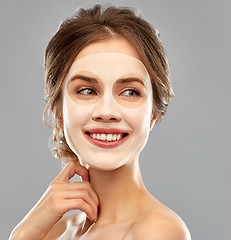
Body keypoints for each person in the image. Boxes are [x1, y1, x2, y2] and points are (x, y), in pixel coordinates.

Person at [9, 4, 191, 240]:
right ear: (58, 112)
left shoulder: (159, 231)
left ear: (154, 112)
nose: (107, 112)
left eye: (130, 92)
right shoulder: (55, 230)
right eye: (86, 90)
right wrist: (22, 234)